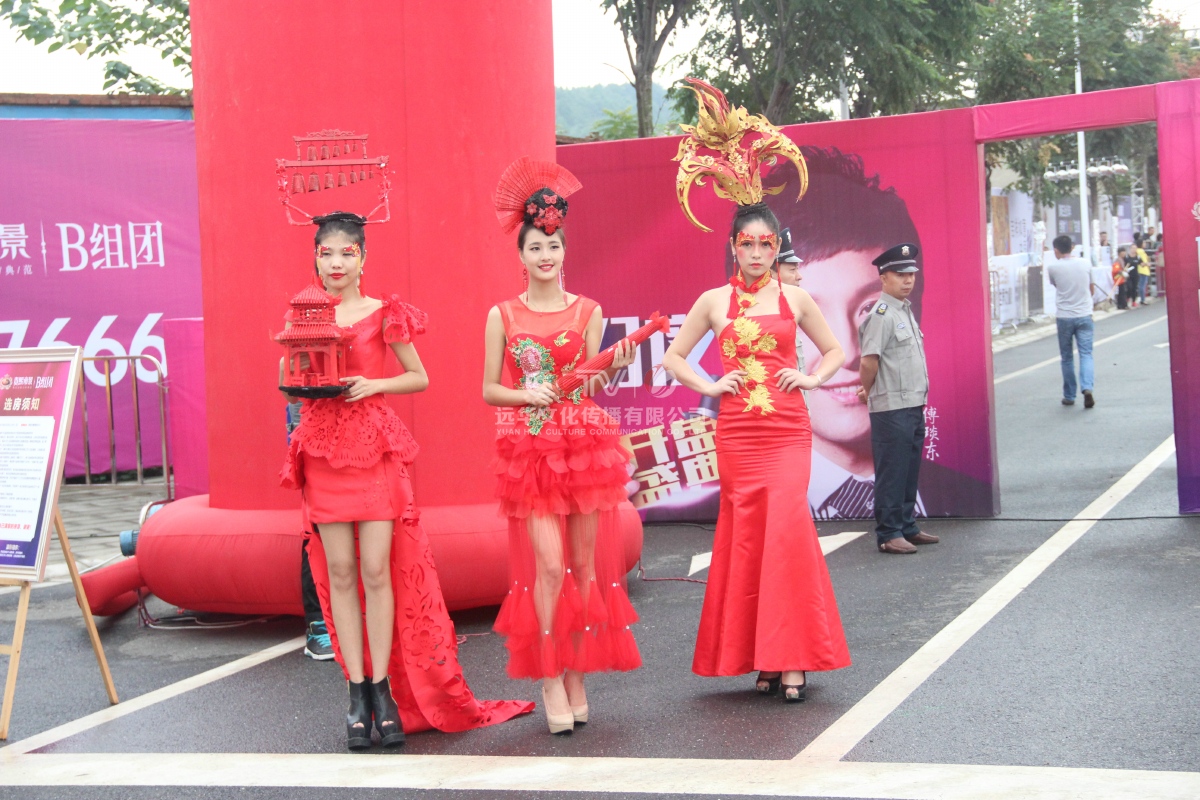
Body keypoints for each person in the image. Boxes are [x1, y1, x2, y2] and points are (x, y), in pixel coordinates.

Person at [281, 211, 531, 750]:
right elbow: (289, 378)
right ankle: (356, 693)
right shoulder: (303, 315)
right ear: (316, 259)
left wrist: (372, 384)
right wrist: (297, 378)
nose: (336, 263)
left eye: (347, 253)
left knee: (377, 572)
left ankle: (383, 690)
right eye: (327, 254)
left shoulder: (382, 313)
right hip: (322, 452)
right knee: (340, 574)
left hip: (372, 451)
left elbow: (419, 377)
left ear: (363, 258)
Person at [662, 79, 851, 703]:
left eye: (767, 244)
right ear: (733, 246)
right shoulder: (713, 301)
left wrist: (813, 377)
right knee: (747, 538)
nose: (757, 252)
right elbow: (674, 358)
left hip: (788, 428)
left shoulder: (796, 297)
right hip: (739, 431)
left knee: (789, 533)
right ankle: (760, 657)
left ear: (778, 248)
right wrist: (712, 384)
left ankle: (791, 658)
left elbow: (835, 351)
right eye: (747, 243)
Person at [484, 158, 641, 735]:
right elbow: (488, 389)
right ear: (521, 255)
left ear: (564, 250)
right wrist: (526, 393)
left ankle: (576, 674)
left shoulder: (589, 311)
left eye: (553, 245)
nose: (545, 255)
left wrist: (615, 366)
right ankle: (550, 674)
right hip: (529, 451)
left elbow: (590, 384)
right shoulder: (502, 315)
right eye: (535, 247)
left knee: (582, 567)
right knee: (549, 567)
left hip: (583, 447)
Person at [763, 147, 993, 521]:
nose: (847, 349)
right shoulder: (756, 502)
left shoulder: (961, 491)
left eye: (868, 308)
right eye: (806, 315)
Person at [856, 244, 940, 555]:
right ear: (883, 277)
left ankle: (907, 525)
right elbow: (869, 360)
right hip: (891, 407)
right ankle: (889, 532)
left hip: (912, 404)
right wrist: (868, 390)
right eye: (900, 274)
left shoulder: (903, 310)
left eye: (911, 274)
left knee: (908, 469)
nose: (907, 280)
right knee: (892, 471)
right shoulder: (881, 314)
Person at [1046, 233, 1095, 409]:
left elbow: (1057, 286)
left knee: (1067, 357)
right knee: (1086, 354)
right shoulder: (1086, 263)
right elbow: (1091, 289)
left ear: (1056, 250)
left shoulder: (1053, 268)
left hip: (1065, 316)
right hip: (1084, 314)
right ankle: (1087, 388)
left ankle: (1069, 395)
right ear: (1072, 247)